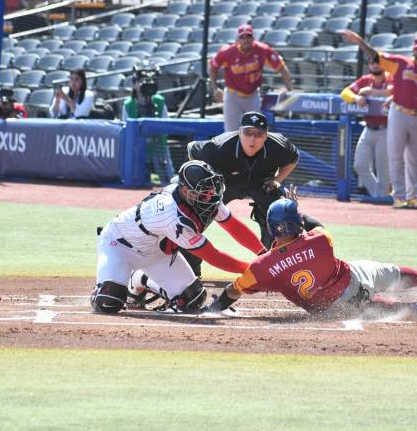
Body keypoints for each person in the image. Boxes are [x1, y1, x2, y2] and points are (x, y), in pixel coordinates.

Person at [206, 197, 417, 316]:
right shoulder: (321, 240)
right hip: (354, 281)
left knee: (371, 308)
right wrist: (298, 213)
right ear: (296, 223)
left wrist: (215, 308)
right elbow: (314, 225)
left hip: (328, 310)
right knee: (389, 273)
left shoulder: (261, 268)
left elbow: (234, 290)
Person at [91, 160, 265, 314]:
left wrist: (262, 253)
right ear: (185, 190)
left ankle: (139, 279)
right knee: (109, 302)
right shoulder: (172, 215)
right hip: (120, 245)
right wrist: (252, 270)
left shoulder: (206, 198)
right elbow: (212, 255)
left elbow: (233, 226)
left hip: (156, 252)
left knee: (192, 300)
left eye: (211, 189)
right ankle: (123, 283)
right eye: (203, 192)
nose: (210, 195)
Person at [187, 111, 323, 254]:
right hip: (225, 185)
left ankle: (272, 257)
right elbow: (192, 150)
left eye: (258, 134)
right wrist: (202, 182)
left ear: (266, 135)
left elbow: (293, 158)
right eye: (247, 132)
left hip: (261, 185)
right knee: (194, 214)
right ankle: (191, 265)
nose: (252, 139)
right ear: (239, 132)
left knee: (283, 210)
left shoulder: (278, 145)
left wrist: (277, 180)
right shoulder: (219, 146)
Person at [343, 30, 417, 209]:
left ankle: (412, 196)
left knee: (412, 157)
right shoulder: (401, 64)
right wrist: (361, 43)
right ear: (413, 49)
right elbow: (376, 56)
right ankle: (399, 196)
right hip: (398, 113)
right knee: (395, 157)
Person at [209, 24, 294, 132]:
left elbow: (281, 66)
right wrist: (215, 88)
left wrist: (290, 88)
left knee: (256, 130)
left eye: (248, 37)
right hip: (233, 97)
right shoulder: (227, 52)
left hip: (252, 96)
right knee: (231, 133)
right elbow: (212, 66)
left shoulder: (262, 50)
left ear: (253, 38)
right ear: (238, 40)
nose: (246, 40)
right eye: (242, 37)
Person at [341, 60, 393, 198]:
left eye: (378, 62)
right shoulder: (365, 79)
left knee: (383, 171)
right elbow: (345, 92)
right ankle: (380, 197)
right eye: (372, 63)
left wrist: (372, 91)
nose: (375, 65)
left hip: (386, 129)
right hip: (368, 128)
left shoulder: (390, 77)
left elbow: (393, 92)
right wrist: (356, 97)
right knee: (360, 165)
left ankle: (381, 201)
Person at [122, 61, 174, 184]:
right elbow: (125, 128)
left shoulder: (159, 101)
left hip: (158, 146)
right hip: (137, 148)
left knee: (168, 180)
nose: (144, 86)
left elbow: (167, 124)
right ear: (134, 84)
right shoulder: (129, 104)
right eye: (140, 82)